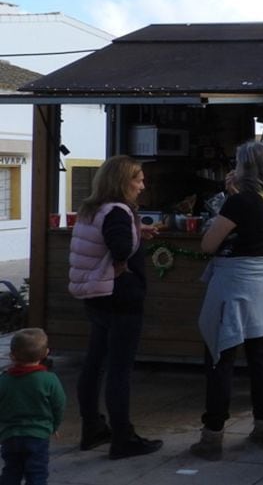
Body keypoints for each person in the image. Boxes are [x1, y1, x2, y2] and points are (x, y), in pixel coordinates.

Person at [190, 141, 263, 460]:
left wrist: (228, 198)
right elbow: (258, 232)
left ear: (245, 167)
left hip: (234, 290)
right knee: (261, 358)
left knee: (221, 359)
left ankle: (213, 436)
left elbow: (208, 244)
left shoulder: (237, 204)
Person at [68, 154, 163, 459]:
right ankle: (123, 438)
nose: (142, 185)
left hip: (95, 297)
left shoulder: (91, 208)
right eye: (138, 178)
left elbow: (103, 242)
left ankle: (92, 428)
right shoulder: (119, 212)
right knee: (119, 370)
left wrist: (138, 234)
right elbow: (119, 247)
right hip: (120, 295)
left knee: (94, 362)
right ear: (123, 181)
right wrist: (123, 264)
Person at [0, 328, 65, 484]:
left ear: (12, 355)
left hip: (10, 435)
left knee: (11, 470)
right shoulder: (49, 380)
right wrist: (54, 425)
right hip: (38, 435)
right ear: (46, 353)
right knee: (37, 473)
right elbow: (59, 404)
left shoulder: (4, 380)